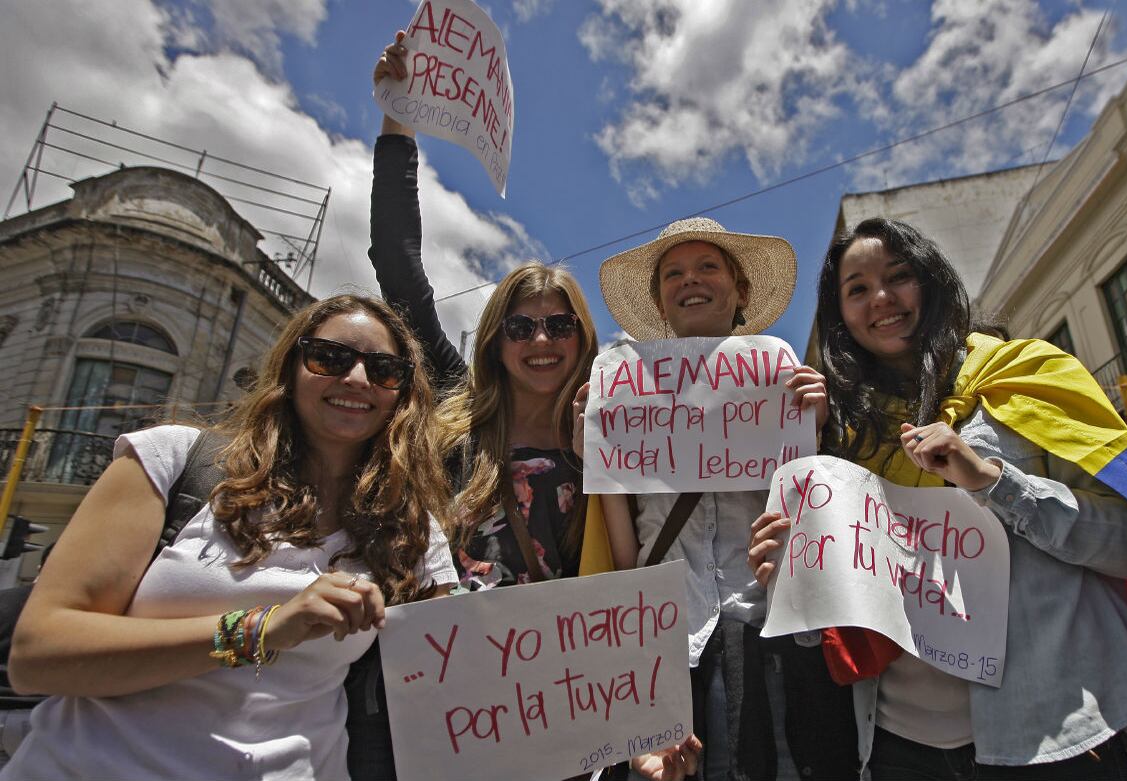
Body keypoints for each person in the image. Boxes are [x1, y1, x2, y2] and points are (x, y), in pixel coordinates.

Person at [748, 217, 1127, 780]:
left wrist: (992, 481)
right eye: (857, 289)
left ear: (932, 281)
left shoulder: (1026, 374)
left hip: (1062, 734)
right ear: (840, 316)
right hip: (899, 747)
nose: (881, 299)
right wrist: (797, 581)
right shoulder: (841, 439)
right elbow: (850, 615)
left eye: (898, 276)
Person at [0, 294, 458, 780]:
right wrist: (260, 630)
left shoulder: (415, 533)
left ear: (403, 394)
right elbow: (38, 657)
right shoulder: (170, 460)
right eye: (330, 358)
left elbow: (443, 683)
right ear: (290, 368)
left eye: (384, 369)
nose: (356, 379)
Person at [349, 31, 620, 781]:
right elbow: (398, 264)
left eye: (559, 324)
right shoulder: (456, 409)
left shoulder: (613, 437)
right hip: (424, 702)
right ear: (496, 340)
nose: (541, 339)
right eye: (521, 324)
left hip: (549, 708)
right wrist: (397, 119)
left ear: (582, 337)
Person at [590, 217, 858, 780]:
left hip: (770, 637)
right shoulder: (622, 384)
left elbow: (815, 517)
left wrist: (818, 427)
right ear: (660, 301)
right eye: (673, 274)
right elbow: (625, 552)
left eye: (708, 266)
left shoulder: (781, 376)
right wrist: (592, 449)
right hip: (666, 647)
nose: (691, 280)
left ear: (739, 290)